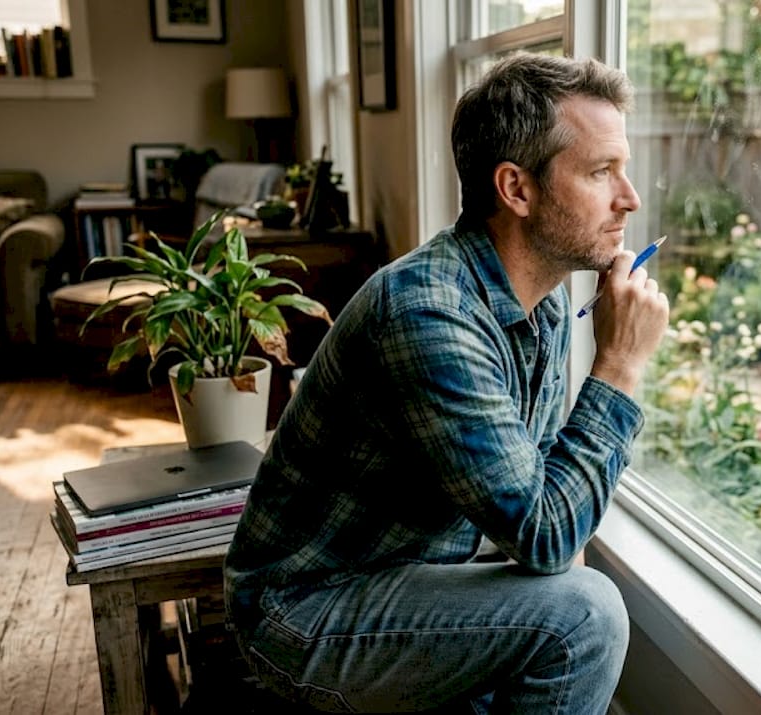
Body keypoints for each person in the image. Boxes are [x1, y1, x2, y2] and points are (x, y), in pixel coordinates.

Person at [225, 52, 669, 713]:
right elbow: (546, 533)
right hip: (305, 613)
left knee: (570, 615)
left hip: (416, 580)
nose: (629, 197)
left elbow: (545, 505)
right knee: (587, 617)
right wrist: (621, 365)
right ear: (516, 189)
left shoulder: (541, 302)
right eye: (602, 172)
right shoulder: (427, 314)